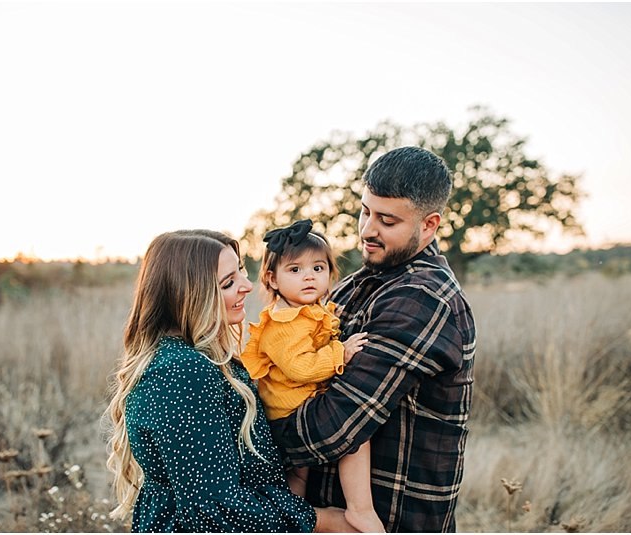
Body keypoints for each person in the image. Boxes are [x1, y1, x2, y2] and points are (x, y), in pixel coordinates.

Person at [269, 147, 477, 533]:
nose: (367, 229)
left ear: (429, 224)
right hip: (330, 516)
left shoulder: (423, 297)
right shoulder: (354, 285)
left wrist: (248, 441)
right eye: (365, 211)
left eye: (387, 220)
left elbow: (338, 422)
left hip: (389, 521)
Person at [104, 229, 355, 533]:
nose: (247, 286)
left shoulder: (204, 359)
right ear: (189, 295)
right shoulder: (182, 372)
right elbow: (215, 506)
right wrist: (323, 521)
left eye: (241, 272)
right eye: (228, 283)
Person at [240, 219, 384, 533]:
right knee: (354, 431)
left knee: (299, 475)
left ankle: (293, 522)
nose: (308, 276)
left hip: (296, 406)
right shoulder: (282, 323)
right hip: (289, 412)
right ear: (272, 279)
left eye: (318, 268)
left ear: (330, 274)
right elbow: (300, 368)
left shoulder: (309, 311)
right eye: (295, 270)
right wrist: (340, 353)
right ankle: (361, 510)